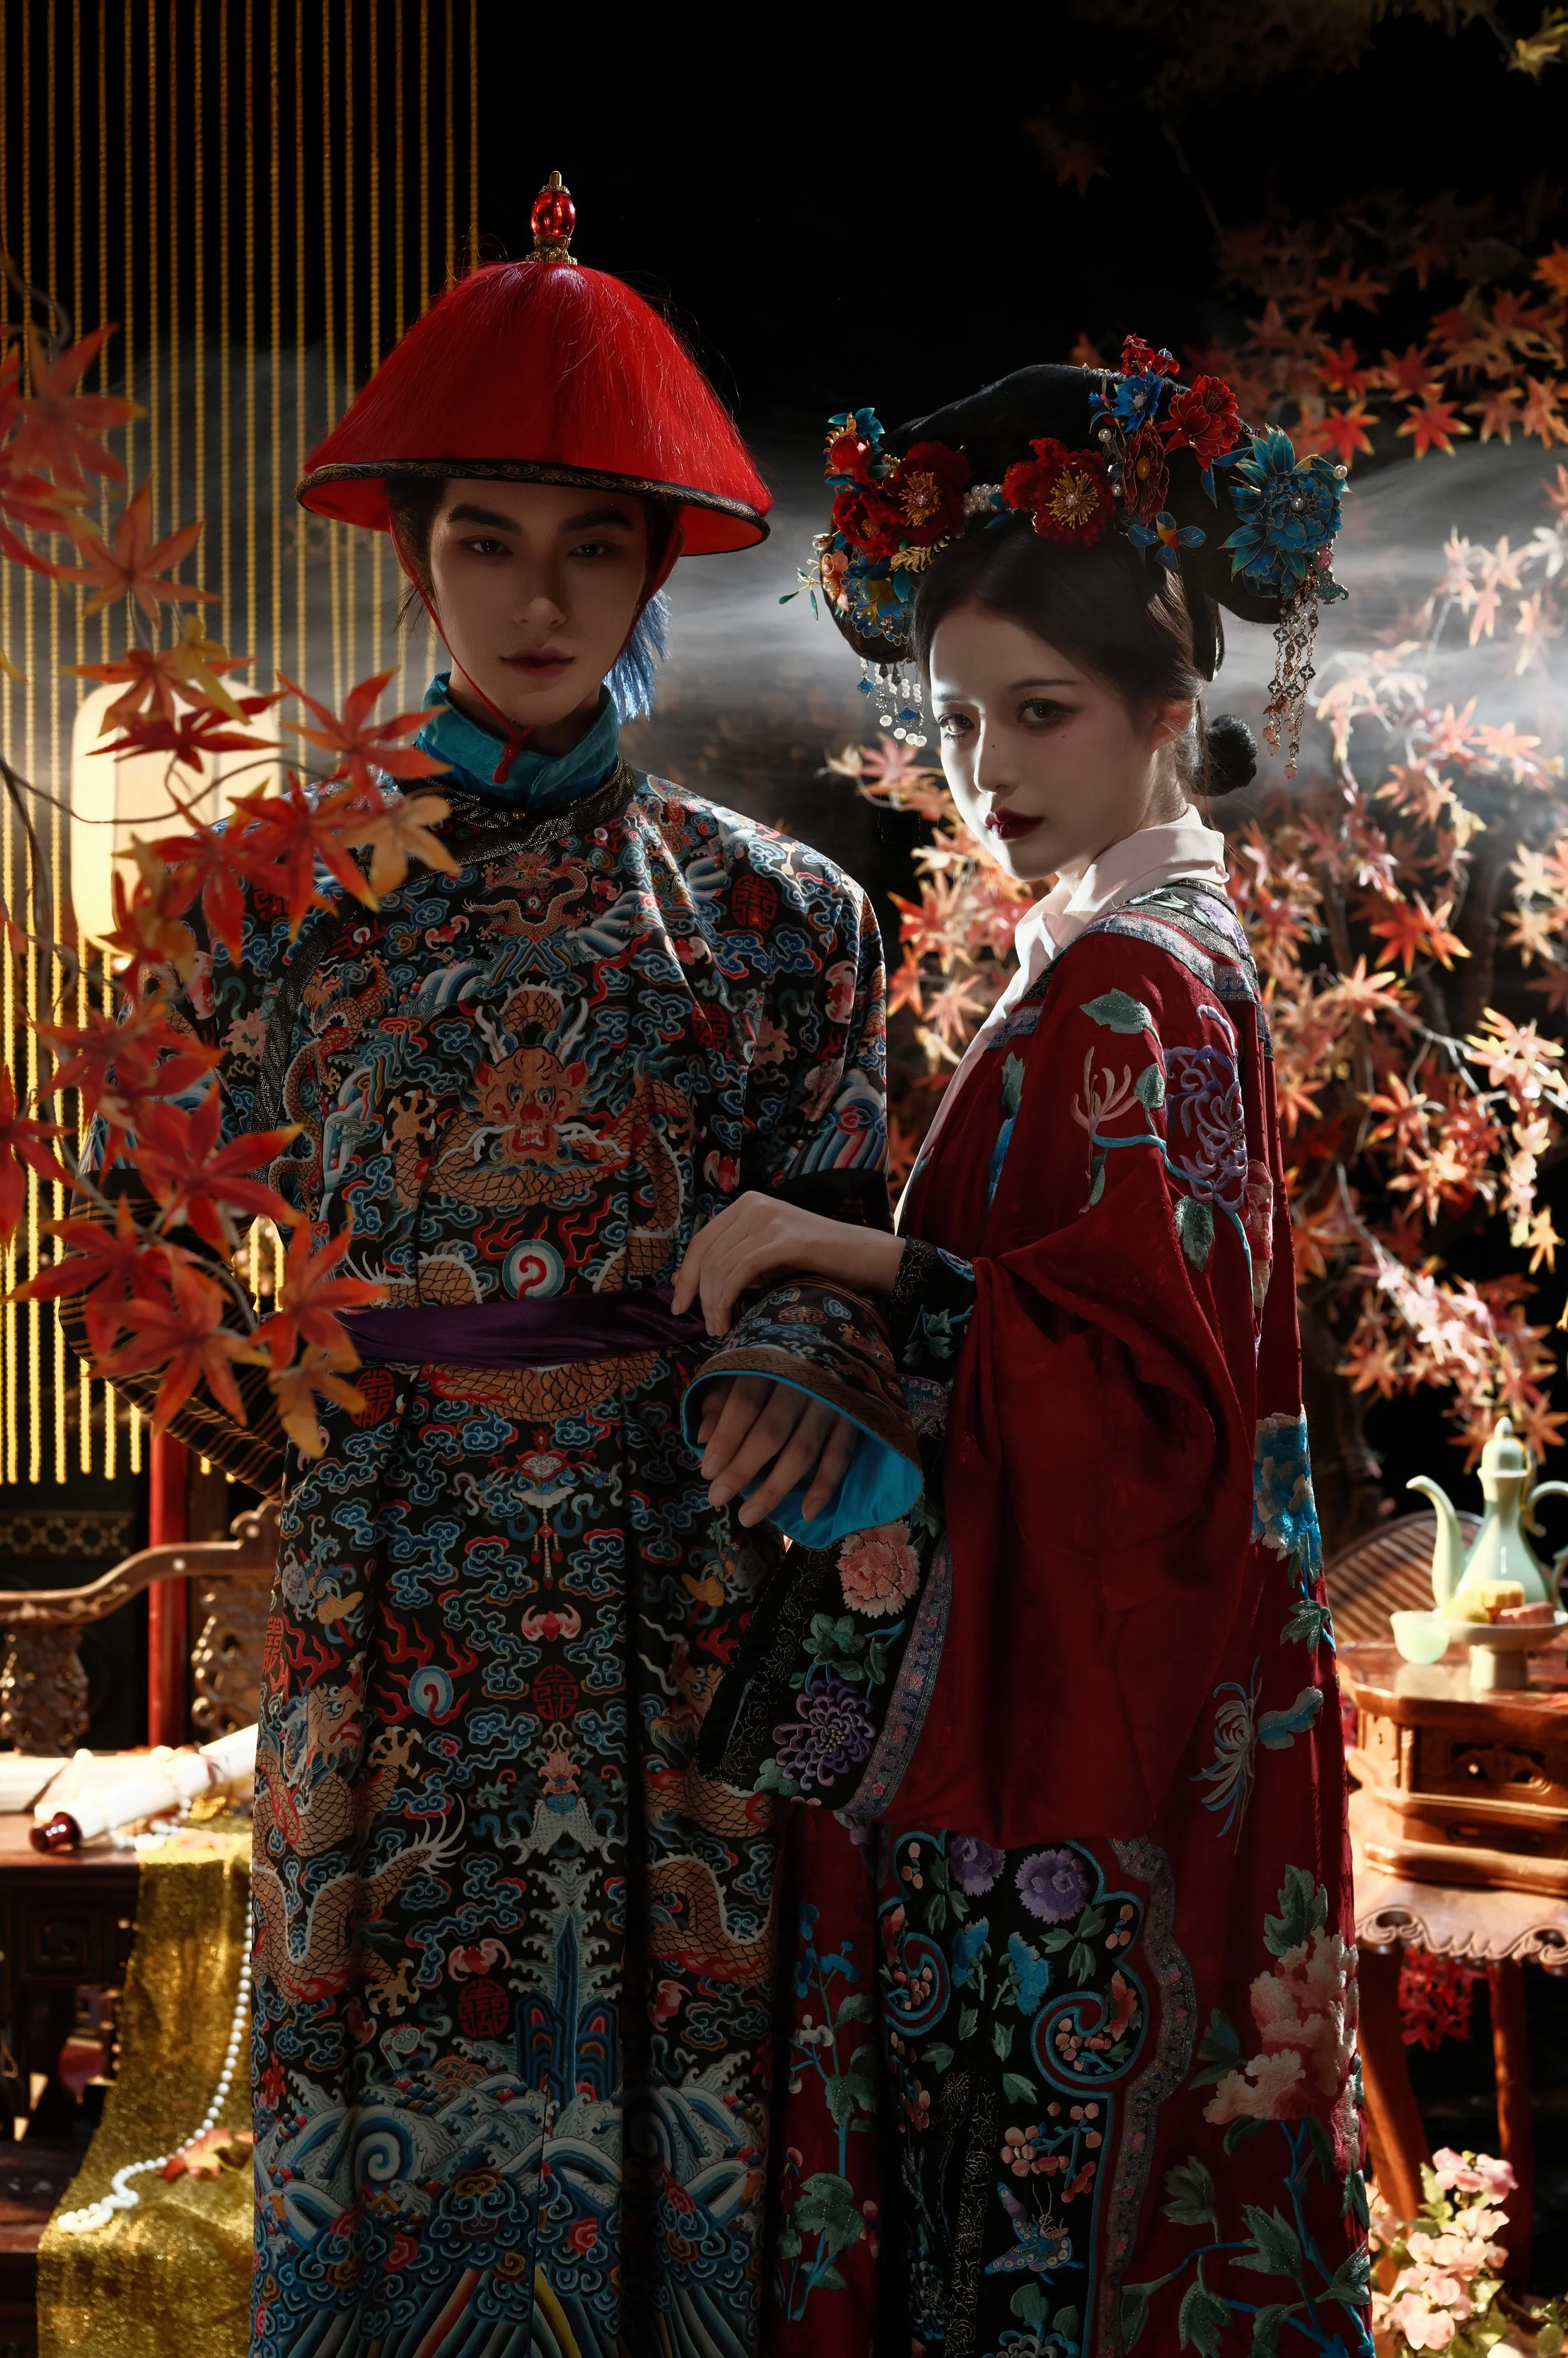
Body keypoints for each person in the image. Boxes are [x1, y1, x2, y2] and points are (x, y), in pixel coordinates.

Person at [70, 180, 900, 2355]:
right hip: (388, 1578)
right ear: (415, 548)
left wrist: (798, 1362)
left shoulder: (775, 917)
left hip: (678, 1572)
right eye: (487, 540)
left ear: (648, 569)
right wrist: (273, 1388)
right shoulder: (256, 894)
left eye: (588, 544)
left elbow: (846, 1209)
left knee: (675, 2083)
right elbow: (114, 1209)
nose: (537, 595)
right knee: (379, 2086)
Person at [677, 348, 1370, 2355]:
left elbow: (1144, 1406)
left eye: (1041, 715)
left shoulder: (1130, 995)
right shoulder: (1140, 956)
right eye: (963, 715)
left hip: (1102, 1740)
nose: (988, 765)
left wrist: (850, 1255)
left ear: (1172, 714)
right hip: (1168, 1694)